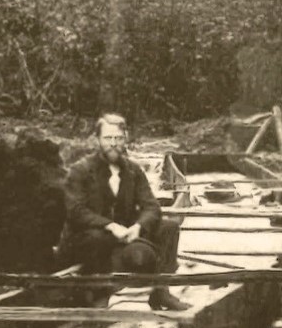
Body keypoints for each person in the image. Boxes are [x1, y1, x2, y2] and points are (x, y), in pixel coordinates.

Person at [59, 114, 189, 311]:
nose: (113, 144)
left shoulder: (133, 170)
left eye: (118, 138)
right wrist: (109, 225)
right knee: (97, 238)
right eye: (108, 138)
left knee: (169, 227)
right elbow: (75, 211)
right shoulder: (81, 170)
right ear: (97, 140)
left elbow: (152, 206)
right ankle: (98, 294)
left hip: (124, 236)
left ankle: (160, 292)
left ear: (125, 138)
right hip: (86, 238)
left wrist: (138, 226)